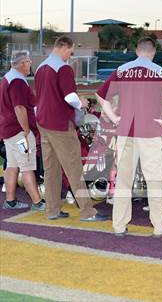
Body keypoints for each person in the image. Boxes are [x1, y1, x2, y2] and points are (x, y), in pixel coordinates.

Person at [96, 37, 162, 237]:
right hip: (150, 132)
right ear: (153, 52)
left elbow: (101, 95)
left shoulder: (123, 70)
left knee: (123, 181)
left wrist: (114, 117)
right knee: (154, 180)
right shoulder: (160, 72)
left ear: (136, 51)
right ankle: (160, 227)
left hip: (126, 131)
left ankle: (118, 225)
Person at [35, 36, 106, 221]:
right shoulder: (63, 68)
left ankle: (52, 210)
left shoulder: (41, 67)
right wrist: (81, 102)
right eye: (71, 51)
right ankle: (87, 212)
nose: (70, 55)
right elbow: (69, 97)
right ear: (64, 47)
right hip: (60, 124)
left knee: (51, 169)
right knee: (74, 168)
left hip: (43, 123)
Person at [0, 51, 45, 211]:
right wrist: (26, 130)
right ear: (23, 63)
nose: (30, 65)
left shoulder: (8, 78)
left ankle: (10, 200)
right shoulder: (17, 81)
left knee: (12, 165)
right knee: (27, 165)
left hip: (8, 130)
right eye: (28, 62)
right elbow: (19, 107)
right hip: (18, 132)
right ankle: (38, 202)